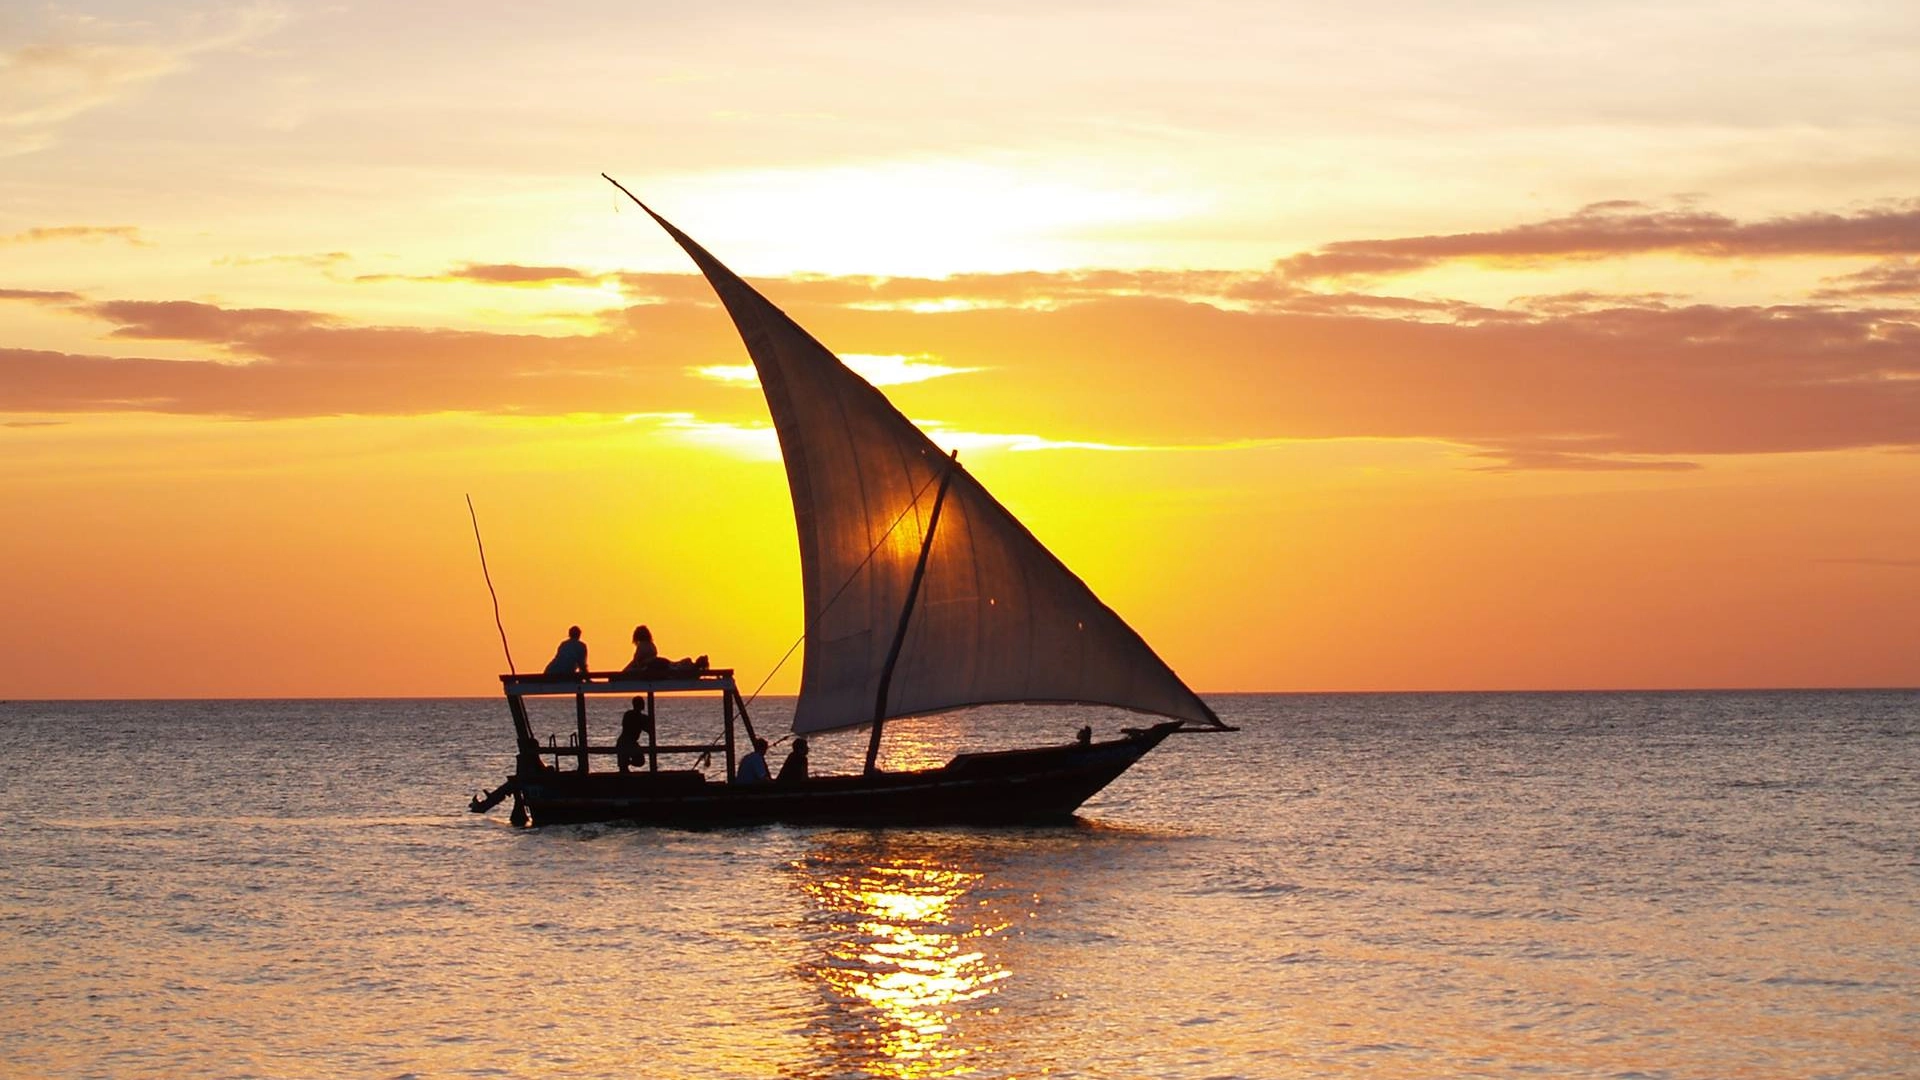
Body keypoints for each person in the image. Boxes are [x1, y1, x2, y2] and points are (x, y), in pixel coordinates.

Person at [616, 696, 654, 773]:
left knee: (633, 763)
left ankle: (626, 764)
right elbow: (646, 729)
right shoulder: (638, 717)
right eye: (642, 703)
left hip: (626, 742)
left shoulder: (629, 714)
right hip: (626, 742)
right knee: (625, 767)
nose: (643, 705)